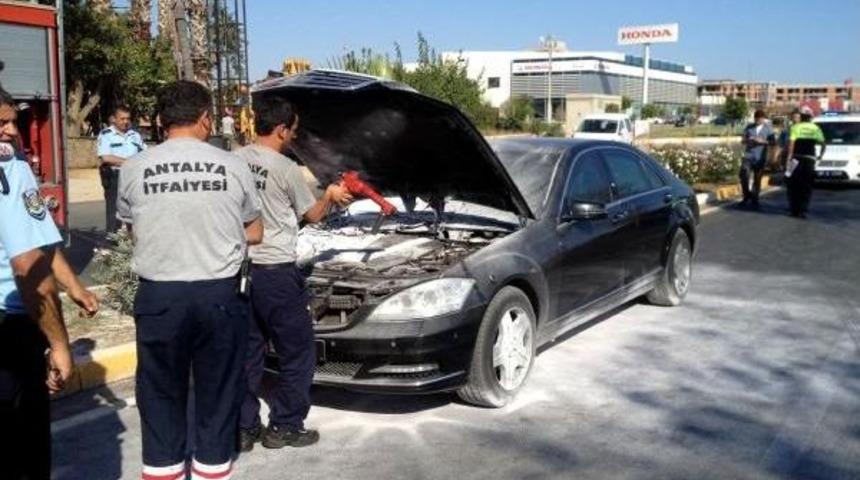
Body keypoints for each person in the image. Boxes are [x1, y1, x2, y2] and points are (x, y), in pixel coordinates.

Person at [116, 81, 263, 480]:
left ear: (160, 120)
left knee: (159, 394)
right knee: (218, 394)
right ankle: (211, 467)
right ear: (205, 119)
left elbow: (133, 230)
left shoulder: (133, 167)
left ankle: (163, 469)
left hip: (159, 296)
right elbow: (254, 231)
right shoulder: (233, 165)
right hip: (220, 295)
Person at [235, 96, 352, 452]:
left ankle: (244, 428)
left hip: (241, 272)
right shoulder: (285, 168)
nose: (295, 137)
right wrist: (330, 195)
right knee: (298, 353)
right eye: (294, 130)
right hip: (277, 274)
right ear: (282, 129)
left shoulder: (234, 160)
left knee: (248, 352)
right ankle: (285, 425)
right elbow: (312, 216)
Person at [0, 87, 98, 480]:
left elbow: (38, 235)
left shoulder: (14, 161)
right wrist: (59, 346)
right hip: (11, 327)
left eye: (13, 121)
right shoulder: (8, 168)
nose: (11, 131)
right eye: (2, 123)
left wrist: (74, 286)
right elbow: (28, 263)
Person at [97, 105, 146, 233]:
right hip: (115, 176)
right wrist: (130, 163)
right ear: (114, 119)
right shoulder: (106, 135)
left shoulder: (135, 135)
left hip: (134, 177)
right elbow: (106, 157)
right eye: (122, 119)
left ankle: (133, 239)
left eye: (128, 119)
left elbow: (144, 154)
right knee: (114, 212)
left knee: (134, 209)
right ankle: (112, 241)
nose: (125, 121)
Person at [785, 106, 826, 218]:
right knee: (807, 185)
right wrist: (820, 156)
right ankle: (803, 210)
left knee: (792, 184)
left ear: (801, 117)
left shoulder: (795, 127)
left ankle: (794, 210)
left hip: (795, 158)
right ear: (810, 117)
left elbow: (791, 144)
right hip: (810, 159)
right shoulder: (815, 128)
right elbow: (823, 144)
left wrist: (788, 158)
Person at [739, 109, 775, 210]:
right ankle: (746, 195)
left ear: (763, 119)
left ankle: (755, 200)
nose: (758, 121)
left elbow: (773, 142)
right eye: (756, 119)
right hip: (748, 156)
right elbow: (742, 140)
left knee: (757, 179)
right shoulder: (749, 127)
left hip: (760, 157)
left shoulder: (768, 129)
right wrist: (748, 140)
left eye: (760, 119)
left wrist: (762, 141)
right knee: (743, 175)